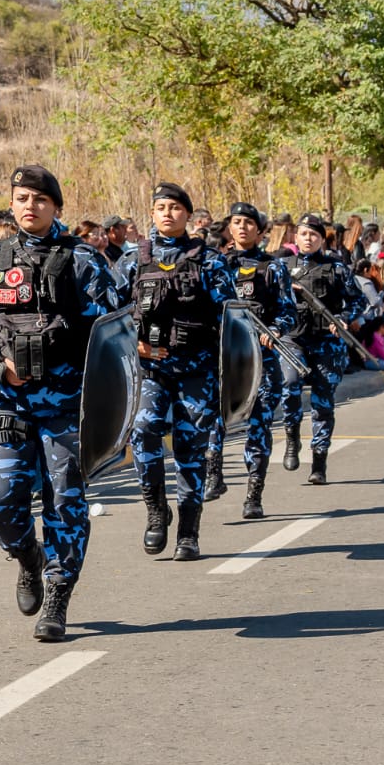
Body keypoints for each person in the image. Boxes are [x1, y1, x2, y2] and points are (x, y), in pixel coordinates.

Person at [0, 166, 124, 639]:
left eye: (40, 199)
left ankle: (59, 593)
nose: (30, 206)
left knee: (65, 500)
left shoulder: (84, 261)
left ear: (56, 207)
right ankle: (28, 557)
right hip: (6, 399)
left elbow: (115, 334)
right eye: (22, 197)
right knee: (1, 498)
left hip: (67, 404)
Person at [120, 182, 237, 562]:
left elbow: (231, 319)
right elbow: (110, 318)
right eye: (160, 207)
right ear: (151, 214)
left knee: (191, 450)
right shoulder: (132, 260)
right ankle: (156, 510)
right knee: (142, 429)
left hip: (196, 371)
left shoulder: (210, 260)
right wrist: (133, 343)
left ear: (188, 214)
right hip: (151, 370)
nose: (167, 213)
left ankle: (189, 530)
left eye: (174, 207)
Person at [215, 203, 297, 519]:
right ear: (229, 228)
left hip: (262, 359)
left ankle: (254, 493)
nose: (243, 228)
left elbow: (288, 310)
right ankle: (214, 474)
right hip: (226, 361)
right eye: (237, 222)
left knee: (260, 425)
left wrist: (275, 329)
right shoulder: (216, 265)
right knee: (214, 421)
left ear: (260, 231)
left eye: (249, 223)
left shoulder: (273, 268)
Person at [278, 214, 365, 485]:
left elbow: (358, 301)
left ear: (321, 239)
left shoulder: (336, 268)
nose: (308, 239)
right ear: (295, 237)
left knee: (323, 403)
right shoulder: (281, 266)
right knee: (289, 385)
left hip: (325, 342)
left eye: (313, 235)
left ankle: (319, 461)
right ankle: (292, 436)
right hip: (293, 338)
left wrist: (343, 318)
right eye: (303, 234)